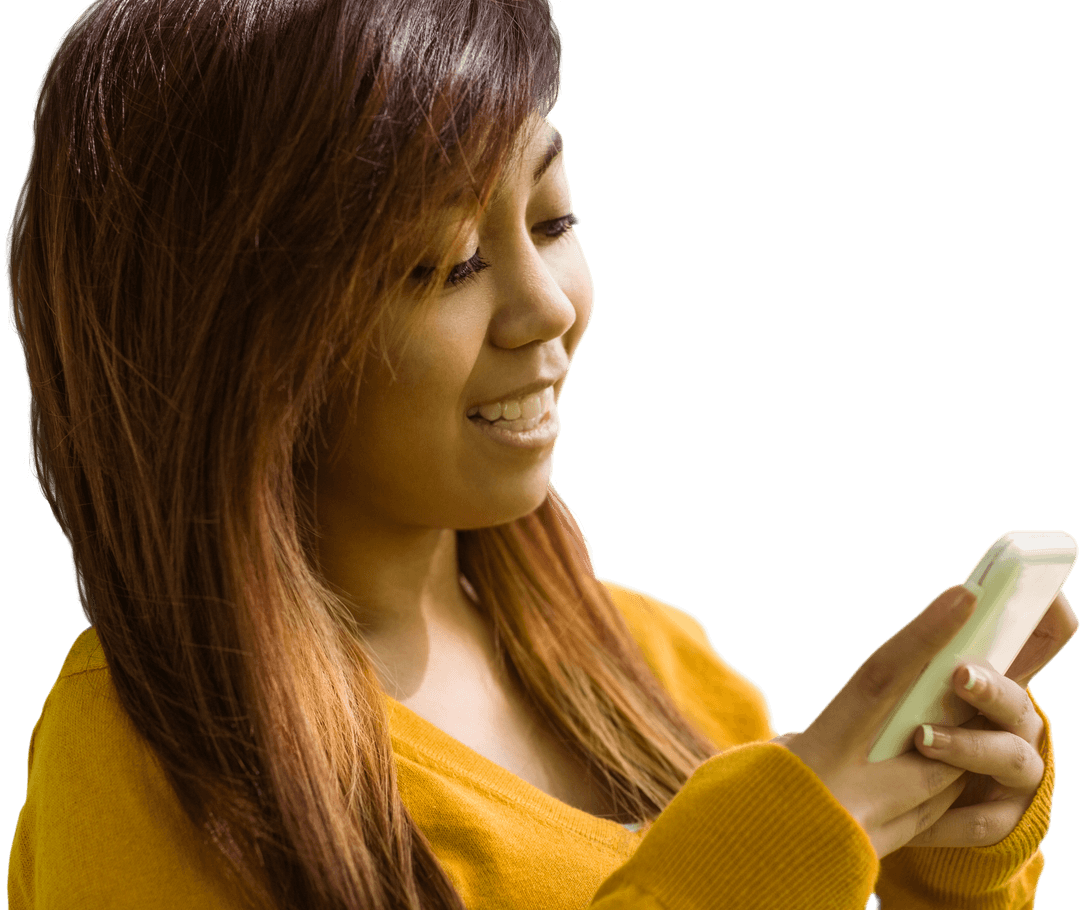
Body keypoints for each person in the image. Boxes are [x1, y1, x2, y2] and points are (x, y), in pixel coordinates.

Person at [7, 2, 1074, 908]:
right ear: (231, 332)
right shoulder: (145, 747)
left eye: (555, 218)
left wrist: (943, 853)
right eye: (444, 263)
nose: (547, 308)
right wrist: (769, 854)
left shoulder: (660, 660)